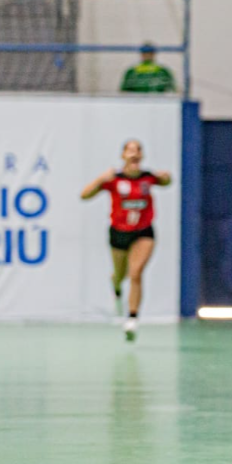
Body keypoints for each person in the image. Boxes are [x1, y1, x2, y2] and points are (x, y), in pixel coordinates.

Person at [80, 140, 171, 341]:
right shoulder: (114, 179)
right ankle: (117, 286)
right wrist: (100, 179)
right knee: (120, 275)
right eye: (130, 150)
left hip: (143, 232)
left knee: (136, 273)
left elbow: (166, 182)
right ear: (123, 156)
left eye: (138, 150)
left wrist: (167, 177)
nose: (134, 154)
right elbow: (84, 195)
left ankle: (132, 318)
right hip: (119, 232)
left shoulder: (148, 178)